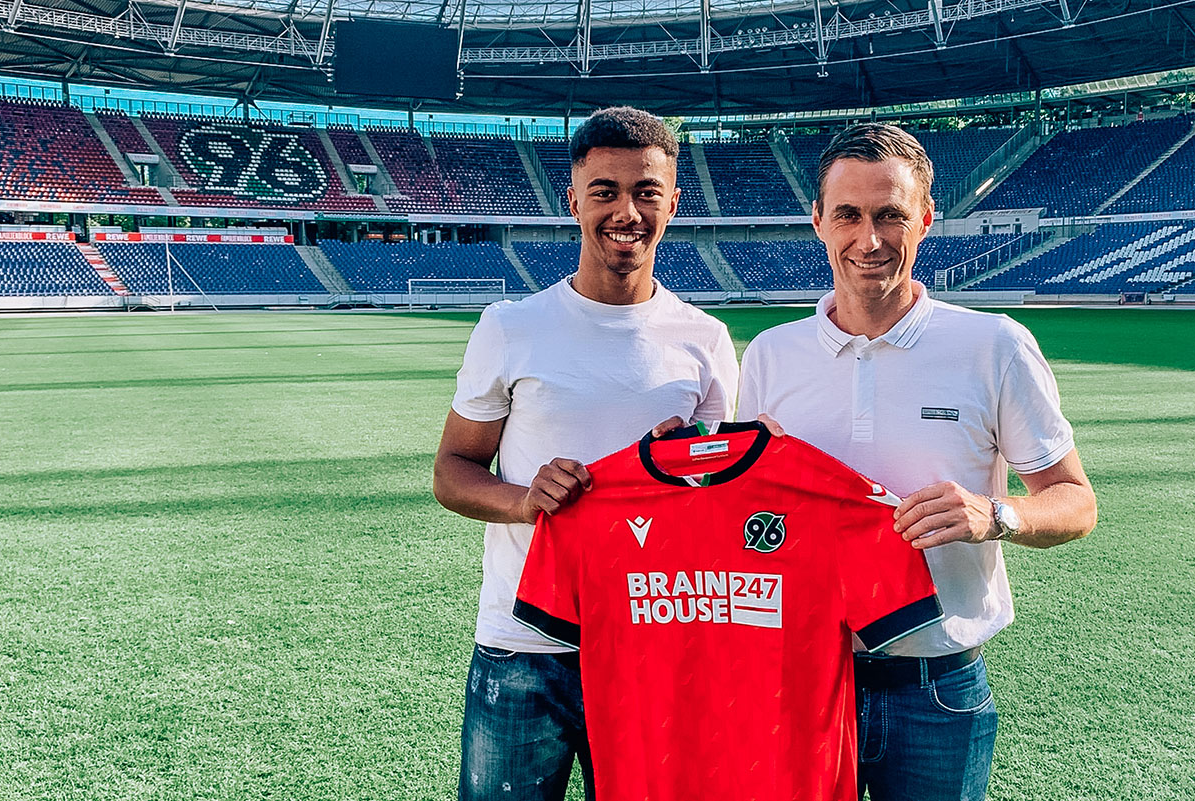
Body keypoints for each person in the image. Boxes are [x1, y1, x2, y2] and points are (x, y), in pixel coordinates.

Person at [737, 123, 1097, 801]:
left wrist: (995, 514)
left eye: (890, 215)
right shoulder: (769, 355)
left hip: (938, 687)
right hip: (800, 680)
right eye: (848, 214)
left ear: (925, 220)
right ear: (818, 221)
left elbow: (1076, 500)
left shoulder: (995, 345)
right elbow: (751, 521)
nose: (868, 239)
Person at [433, 106, 738, 801]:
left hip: (652, 644)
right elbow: (451, 471)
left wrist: (690, 473)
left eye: (646, 192)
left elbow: (719, 500)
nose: (626, 212)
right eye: (605, 191)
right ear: (573, 201)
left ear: (673, 204)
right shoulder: (511, 327)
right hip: (522, 644)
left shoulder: (706, 340)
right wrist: (523, 499)